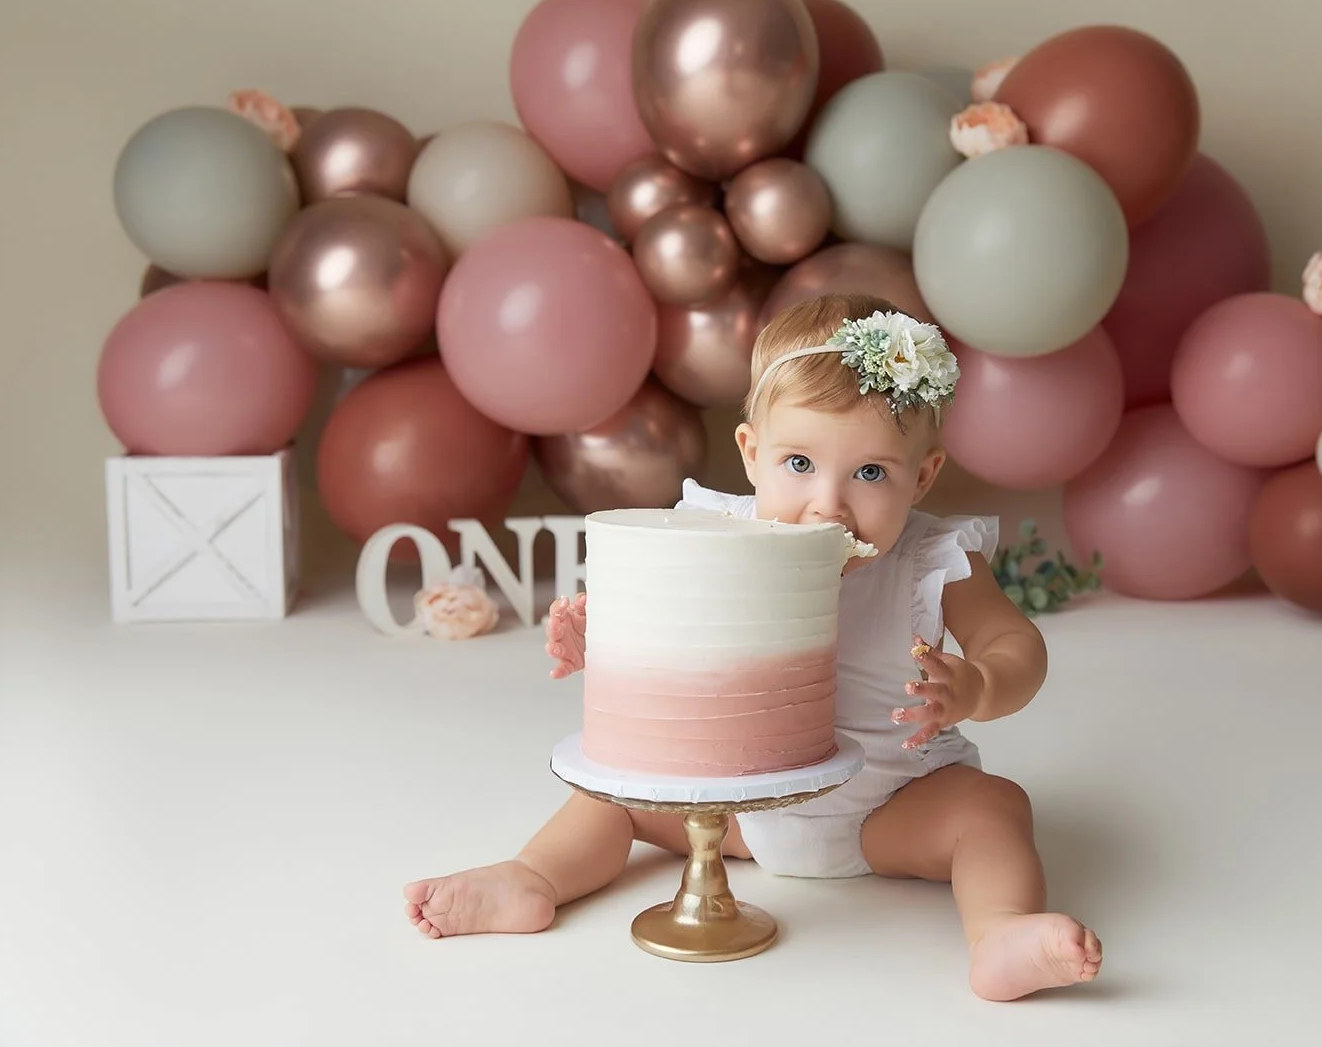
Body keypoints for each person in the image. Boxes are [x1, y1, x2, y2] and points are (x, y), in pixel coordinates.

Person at [403, 294, 1102, 1001]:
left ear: (921, 476)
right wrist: (604, 637)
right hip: (737, 805)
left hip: (892, 806)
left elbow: (1015, 643)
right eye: (798, 462)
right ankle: (532, 877)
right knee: (612, 793)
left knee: (991, 807)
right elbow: (666, 629)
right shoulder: (718, 534)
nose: (827, 503)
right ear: (750, 453)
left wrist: (979, 684)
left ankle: (1000, 930)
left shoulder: (931, 556)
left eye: (870, 473)